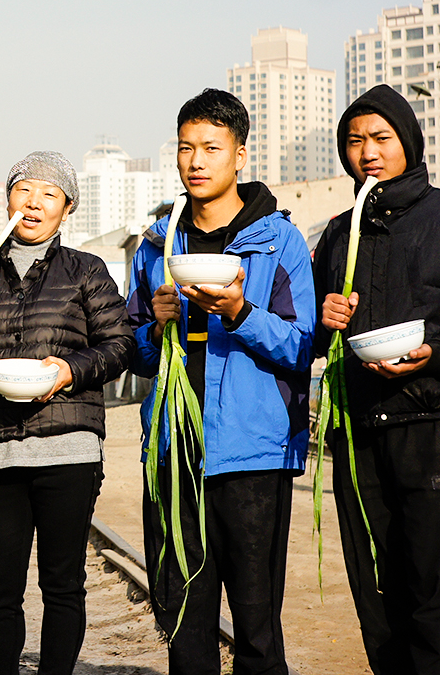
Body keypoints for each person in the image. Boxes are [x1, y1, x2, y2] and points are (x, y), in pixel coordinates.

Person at [312, 84, 440, 675]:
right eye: (354, 141)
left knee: (436, 588)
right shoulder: (340, 232)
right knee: (376, 590)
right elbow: (316, 338)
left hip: (438, 419)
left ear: (407, 142)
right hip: (361, 427)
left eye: (380, 138)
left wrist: (434, 354)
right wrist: (326, 323)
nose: (367, 152)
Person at [126, 89, 316, 675]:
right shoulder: (159, 244)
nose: (196, 161)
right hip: (176, 451)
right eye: (186, 148)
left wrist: (239, 312)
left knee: (257, 624)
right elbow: (131, 349)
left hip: (253, 454)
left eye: (211, 147)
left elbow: (302, 346)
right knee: (183, 621)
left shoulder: (279, 242)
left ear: (239, 154)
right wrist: (154, 328)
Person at [0, 151, 134, 675]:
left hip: (69, 449)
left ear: (67, 209)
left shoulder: (85, 269)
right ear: (7, 200)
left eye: (49, 194)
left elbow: (120, 346)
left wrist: (68, 370)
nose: (34, 203)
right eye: (24, 191)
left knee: (62, 584)